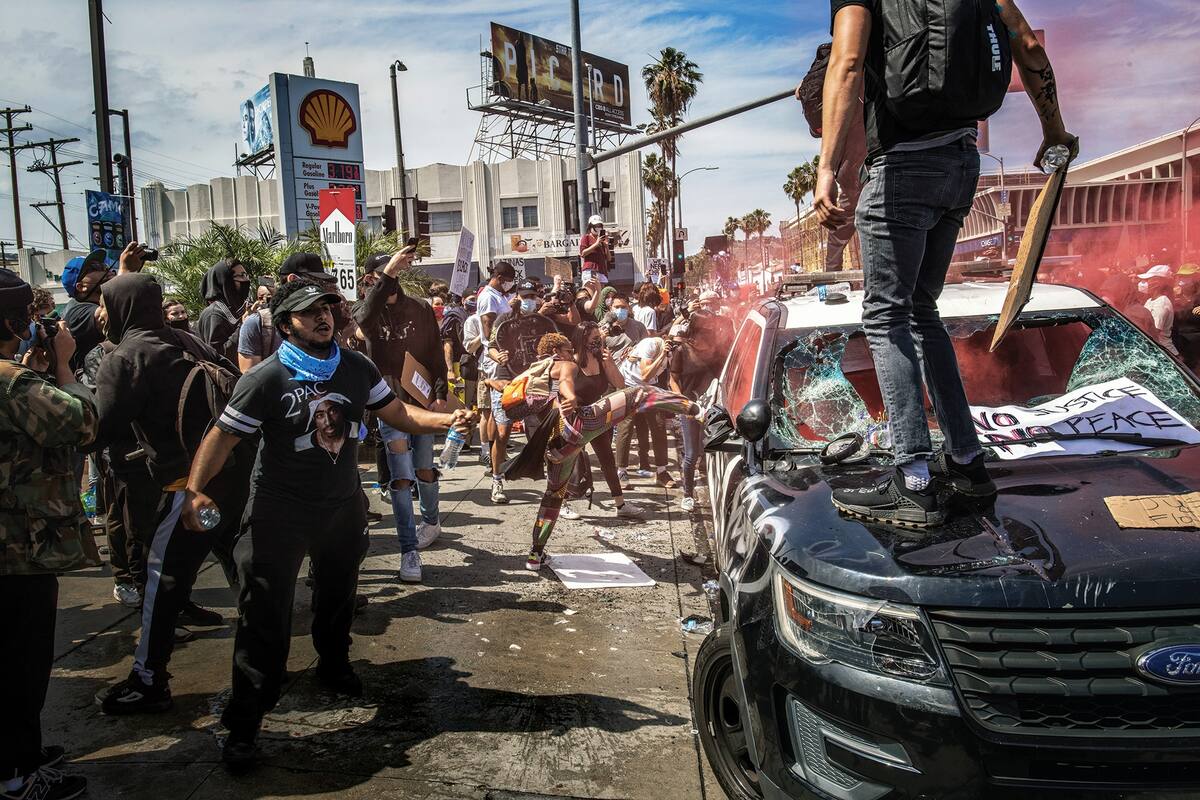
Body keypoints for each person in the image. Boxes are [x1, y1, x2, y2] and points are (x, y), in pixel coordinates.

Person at [179, 280, 475, 772]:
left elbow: (397, 412)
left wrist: (445, 421)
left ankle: (334, 665)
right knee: (263, 618)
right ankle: (245, 723)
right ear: (285, 324)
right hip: (278, 513)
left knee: (338, 598)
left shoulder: (356, 367)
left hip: (342, 509)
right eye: (309, 312)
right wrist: (194, 490)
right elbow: (223, 436)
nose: (323, 317)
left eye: (327, 309)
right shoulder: (266, 378)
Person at [818, 0, 1074, 525]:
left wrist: (826, 168)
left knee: (885, 316)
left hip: (902, 166)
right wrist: (1054, 131)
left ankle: (912, 480)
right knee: (921, 309)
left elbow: (847, 64)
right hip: (961, 162)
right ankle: (967, 464)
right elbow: (1028, 46)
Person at [90, 273, 252, 715]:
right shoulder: (186, 340)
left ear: (121, 308)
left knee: (162, 580)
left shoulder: (125, 357)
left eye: (104, 304)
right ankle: (263, 655)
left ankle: (148, 679)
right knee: (240, 565)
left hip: (186, 490)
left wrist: (67, 377)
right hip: (229, 477)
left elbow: (97, 429)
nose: (100, 313)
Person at [0, 269, 97, 800]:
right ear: (15, 324)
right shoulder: (13, 384)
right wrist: (62, 366)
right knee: (21, 661)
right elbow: (83, 422)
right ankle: (17, 775)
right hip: (18, 548)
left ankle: (21, 753)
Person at [508, 332, 700, 571]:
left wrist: (490, 383)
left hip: (555, 447)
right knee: (640, 394)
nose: (571, 354)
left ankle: (535, 556)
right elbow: (567, 381)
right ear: (557, 351)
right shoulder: (564, 364)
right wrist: (571, 397)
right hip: (579, 426)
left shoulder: (534, 372)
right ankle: (697, 409)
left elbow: (508, 394)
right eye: (568, 349)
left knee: (553, 498)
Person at [353, 249, 450, 582]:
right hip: (389, 405)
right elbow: (363, 321)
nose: (393, 279)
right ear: (371, 278)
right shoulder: (366, 309)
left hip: (420, 401)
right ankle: (409, 550)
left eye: (395, 272)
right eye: (385, 273)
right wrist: (387, 274)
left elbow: (435, 353)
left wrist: (440, 393)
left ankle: (431, 521)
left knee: (424, 468)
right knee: (402, 476)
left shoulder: (420, 308)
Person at [566, 322, 646, 520]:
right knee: (570, 461)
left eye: (599, 339)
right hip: (574, 418)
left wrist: (610, 363)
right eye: (595, 339)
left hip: (596, 416)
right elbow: (563, 388)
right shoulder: (571, 363)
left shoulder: (601, 360)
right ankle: (563, 503)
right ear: (583, 340)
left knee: (607, 459)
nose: (599, 342)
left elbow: (620, 384)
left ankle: (620, 504)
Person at [238, 254, 335, 372]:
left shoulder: (327, 319)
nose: (322, 316)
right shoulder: (258, 323)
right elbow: (251, 378)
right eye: (317, 282)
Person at [669, 314, 725, 511]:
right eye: (704, 332)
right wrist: (682, 403)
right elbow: (673, 379)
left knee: (708, 450)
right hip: (690, 408)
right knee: (691, 454)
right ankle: (688, 494)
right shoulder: (682, 351)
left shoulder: (717, 352)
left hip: (712, 409)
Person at [477, 262, 517, 503]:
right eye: (509, 280)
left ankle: (495, 456)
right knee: (501, 427)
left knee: (497, 420)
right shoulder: (489, 297)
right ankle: (496, 475)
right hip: (497, 365)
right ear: (500, 278)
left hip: (513, 364)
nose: (511, 284)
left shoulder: (500, 296)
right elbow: (489, 331)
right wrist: (498, 352)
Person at [616, 334, 679, 488]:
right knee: (626, 427)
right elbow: (645, 375)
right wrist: (662, 355)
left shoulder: (673, 354)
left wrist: (677, 398)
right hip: (629, 385)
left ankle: (662, 471)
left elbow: (670, 377)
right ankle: (621, 471)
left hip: (650, 387)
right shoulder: (650, 344)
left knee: (659, 425)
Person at [196, 258, 251, 363]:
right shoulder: (214, 314)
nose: (246, 280)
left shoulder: (239, 308)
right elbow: (218, 355)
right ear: (226, 281)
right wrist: (244, 325)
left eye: (246, 275)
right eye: (240, 276)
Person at [1137, 264, 1180, 356]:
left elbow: (1155, 331)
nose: (1143, 283)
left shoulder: (1162, 303)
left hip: (1164, 352)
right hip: (1155, 349)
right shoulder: (1150, 300)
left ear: (1157, 282)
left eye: (1147, 280)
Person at [579, 215, 612, 284]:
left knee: (602, 290)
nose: (598, 228)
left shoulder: (602, 240)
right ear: (590, 227)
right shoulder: (586, 238)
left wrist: (606, 246)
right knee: (592, 289)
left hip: (601, 270)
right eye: (596, 226)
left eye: (600, 226)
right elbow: (583, 253)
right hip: (591, 269)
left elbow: (609, 258)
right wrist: (596, 244)